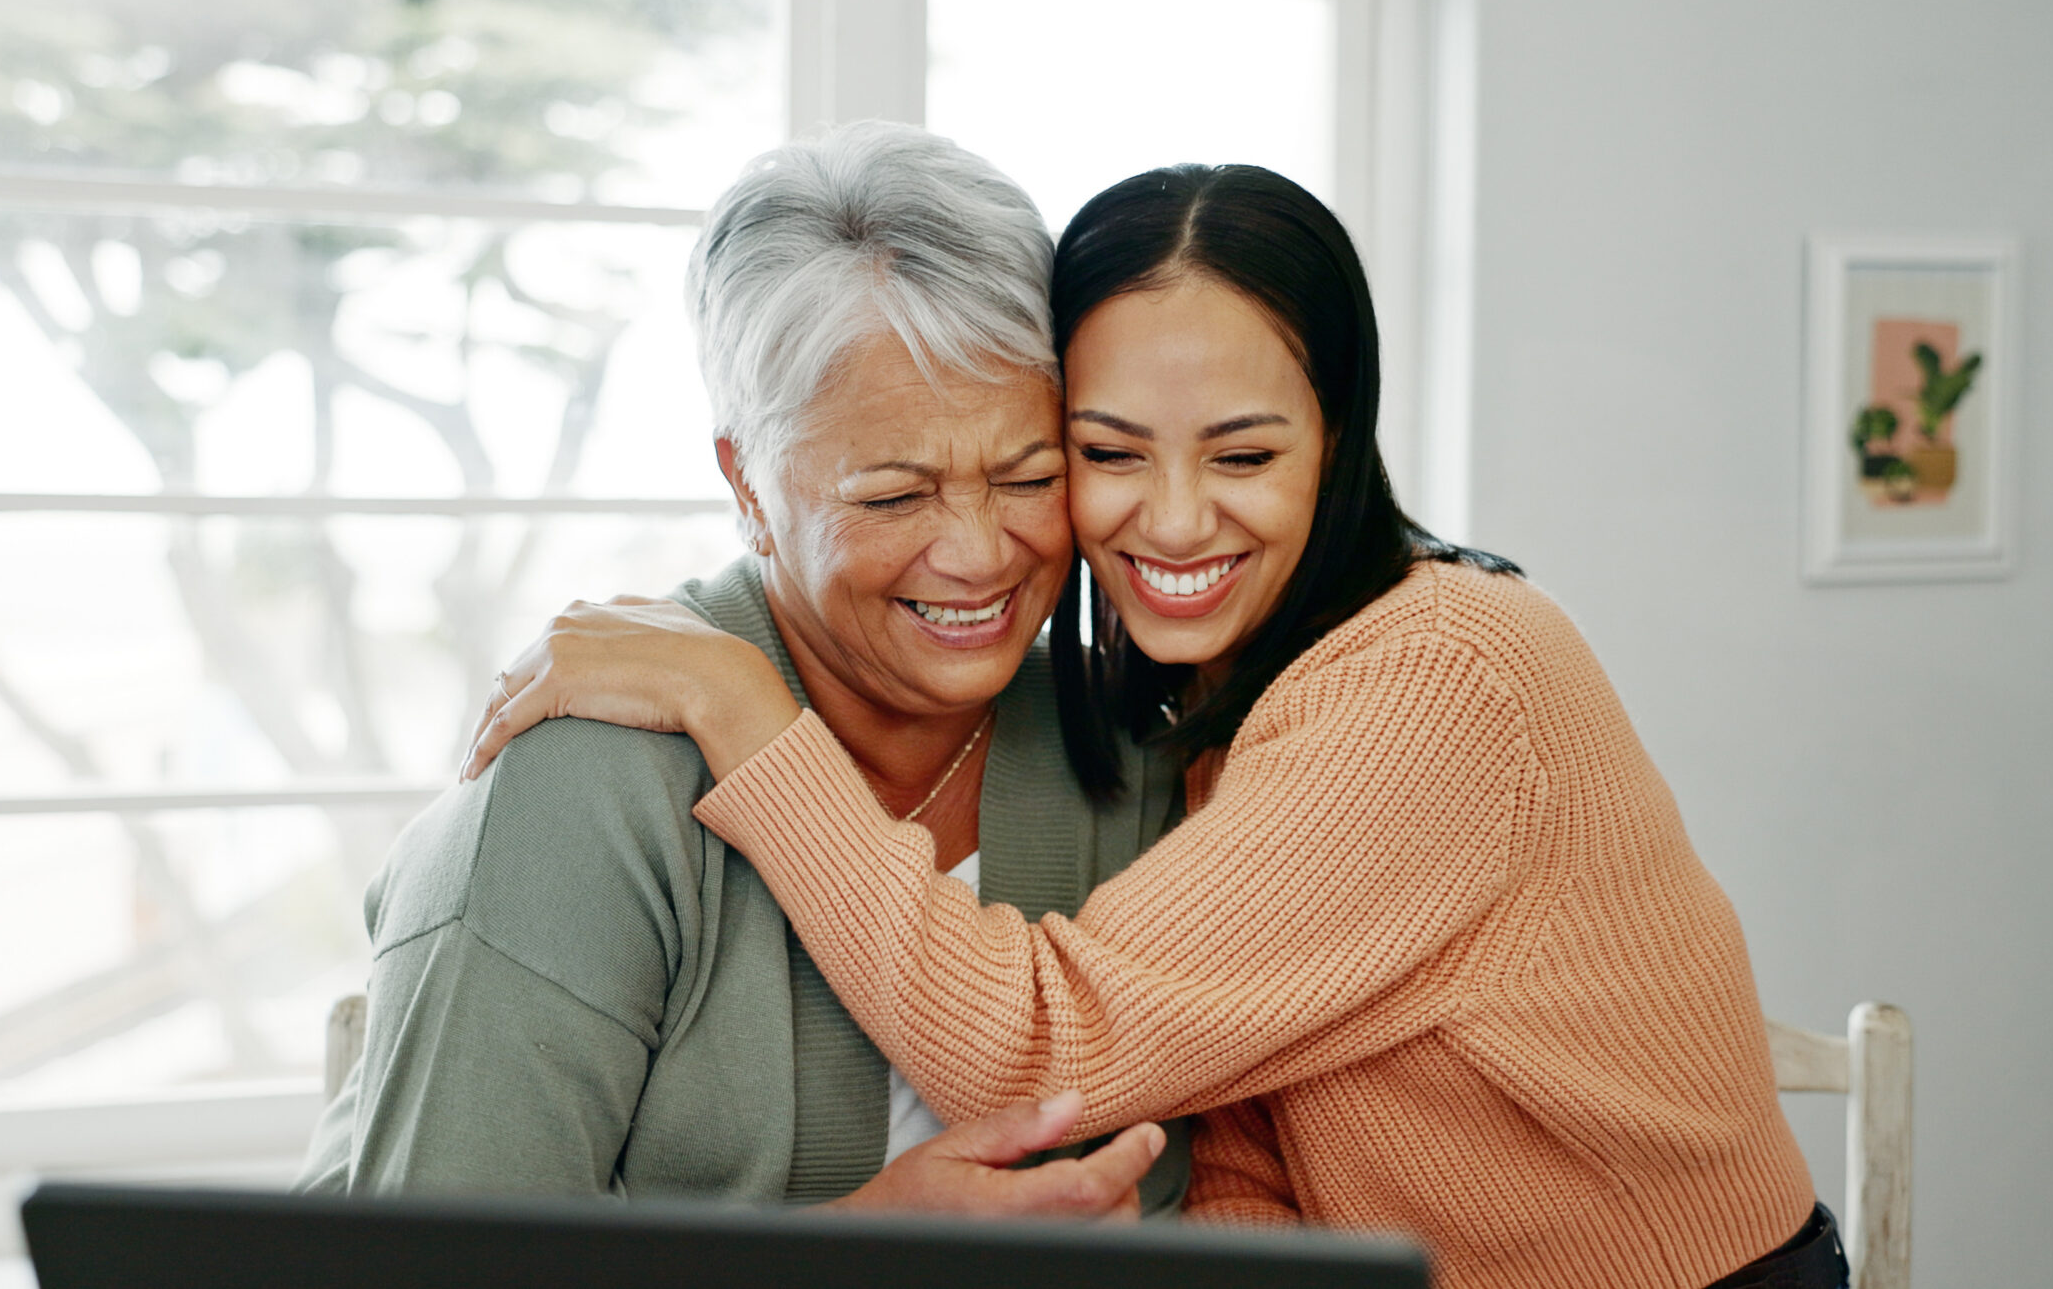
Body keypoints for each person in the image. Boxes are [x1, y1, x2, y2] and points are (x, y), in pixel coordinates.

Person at [470, 165, 1837, 1287]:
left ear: (1339, 437)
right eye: (1110, 453)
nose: (1174, 521)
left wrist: (739, 703)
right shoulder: (1206, 699)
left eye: (1243, 454)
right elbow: (1239, 1132)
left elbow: (1039, 1044)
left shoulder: (1441, 674)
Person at [298, 121, 1186, 1220]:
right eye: (892, 496)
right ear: (749, 483)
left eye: (1027, 475)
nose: (976, 554)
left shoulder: (1135, 748)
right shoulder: (579, 790)